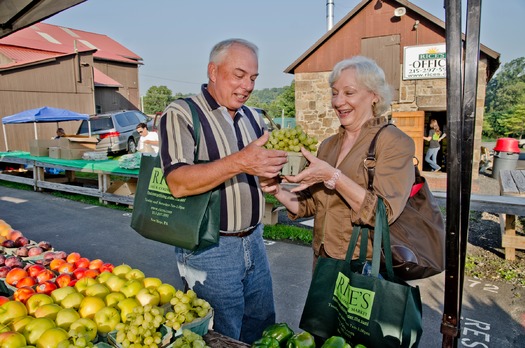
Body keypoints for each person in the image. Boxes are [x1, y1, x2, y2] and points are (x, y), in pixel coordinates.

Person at [158, 38, 288, 343]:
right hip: (209, 249)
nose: (248, 85)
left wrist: (269, 181)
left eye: (254, 78)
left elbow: (255, 171)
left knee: (261, 327)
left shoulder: (253, 117)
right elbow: (178, 183)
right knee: (221, 335)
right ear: (213, 71)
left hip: (255, 241)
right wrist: (241, 162)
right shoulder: (181, 113)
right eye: (239, 75)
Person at [260, 56, 415, 268]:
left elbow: (383, 214)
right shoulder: (328, 145)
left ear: (375, 96)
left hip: (362, 266)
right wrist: (277, 190)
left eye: (349, 92)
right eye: (334, 93)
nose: (338, 101)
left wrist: (333, 176)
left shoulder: (394, 142)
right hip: (322, 261)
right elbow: (311, 204)